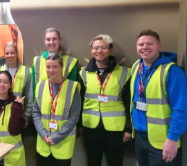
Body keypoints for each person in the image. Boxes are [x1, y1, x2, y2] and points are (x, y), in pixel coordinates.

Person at [131, 30, 187, 166]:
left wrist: (172, 139)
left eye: (149, 44)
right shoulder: (136, 67)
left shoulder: (172, 71)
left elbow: (180, 109)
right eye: (141, 44)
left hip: (163, 141)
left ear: (159, 46)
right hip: (140, 137)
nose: (144, 47)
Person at [78, 34, 132, 166]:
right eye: (96, 47)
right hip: (90, 127)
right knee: (93, 161)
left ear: (110, 49)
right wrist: (79, 124)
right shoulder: (83, 73)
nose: (99, 51)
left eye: (103, 47)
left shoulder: (125, 73)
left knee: (115, 162)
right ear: (91, 49)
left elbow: (129, 102)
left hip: (115, 129)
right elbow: (78, 101)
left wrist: (128, 128)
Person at [33, 53, 80, 166]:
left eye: (55, 67)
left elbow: (74, 117)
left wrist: (57, 137)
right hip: (43, 142)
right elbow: (36, 112)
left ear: (61, 67)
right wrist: (43, 134)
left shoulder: (73, 87)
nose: (51, 70)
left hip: (63, 143)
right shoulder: (40, 86)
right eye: (48, 67)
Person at [0, 42, 32, 122]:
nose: (9, 56)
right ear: (4, 55)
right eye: (7, 53)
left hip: (18, 113)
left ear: (17, 54)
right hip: (0, 112)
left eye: (12, 53)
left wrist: (26, 118)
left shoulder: (27, 71)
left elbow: (29, 98)